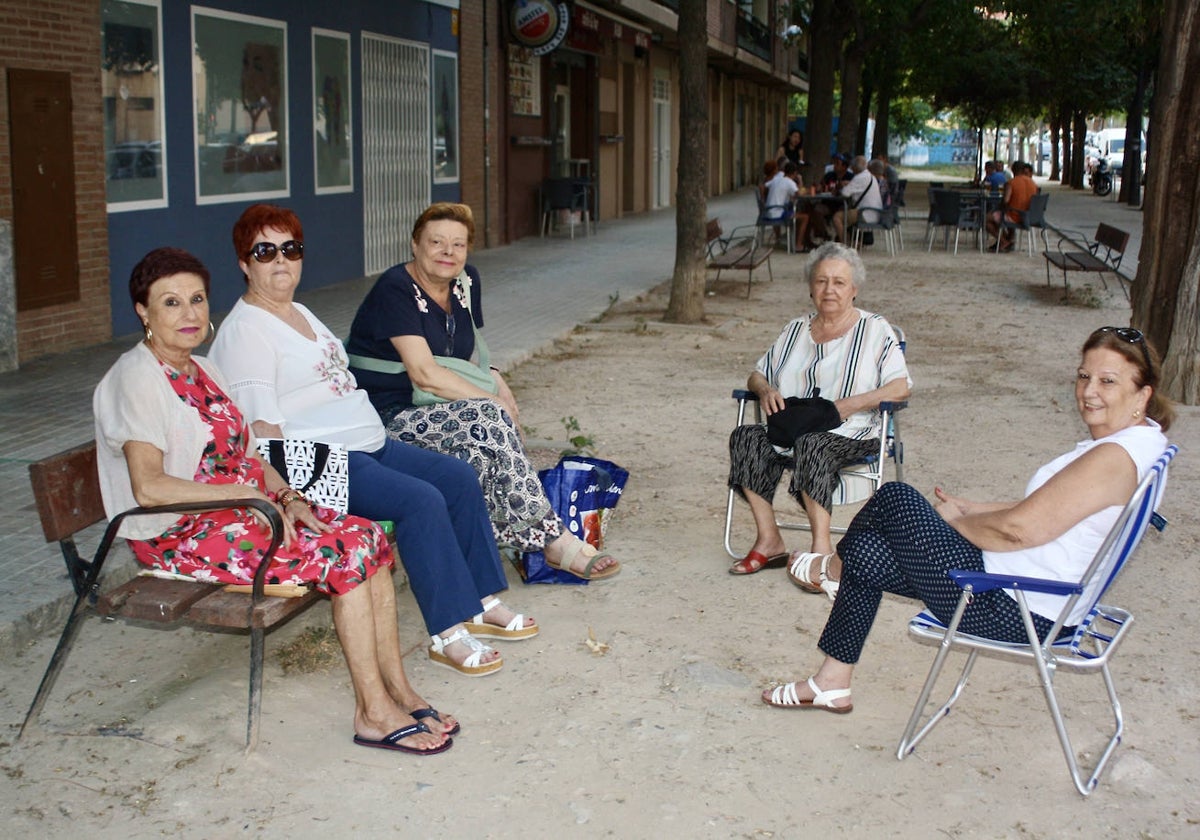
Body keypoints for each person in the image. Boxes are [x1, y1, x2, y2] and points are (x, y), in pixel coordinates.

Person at [94, 246, 454, 755]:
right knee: (345, 552)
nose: (190, 313)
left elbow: (246, 454)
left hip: (240, 513)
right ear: (143, 312)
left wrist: (286, 493)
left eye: (197, 299)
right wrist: (243, 495)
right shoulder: (138, 377)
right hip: (181, 533)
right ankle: (372, 712)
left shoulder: (203, 371)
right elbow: (149, 487)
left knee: (368, 534)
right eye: (171, 303)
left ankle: (399, 690)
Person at [761, 326, 1172, 713]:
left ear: (1142, 395)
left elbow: (1018, 531)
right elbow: (1054, 507)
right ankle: (831, 681)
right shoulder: (1142, 443)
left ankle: (830, 567)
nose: (1089, 391)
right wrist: (974, 508)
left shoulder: (1112, 459)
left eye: (1108, 381)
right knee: (867, 554)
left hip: (1011, 607)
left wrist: (952, 524)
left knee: (895, 497)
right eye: (1084, 377)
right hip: (1030, 595)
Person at [209, 204, 537, 679]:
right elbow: (262, 436)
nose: (281, 261)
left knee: (456, 476)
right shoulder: (245, 332)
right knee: (421, 500)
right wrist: (287, 496)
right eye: (265, 251)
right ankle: (447, 632)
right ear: (244, 262)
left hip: (367, 442)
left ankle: (481, 601)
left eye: (291, 249)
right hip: (318, 461)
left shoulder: (298, 312)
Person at [345, 202, 621, 581]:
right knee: (487, 420)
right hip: (388, 416)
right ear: (415, 245)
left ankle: (486, 557)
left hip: (441, 413)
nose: (448, 252)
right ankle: (553, 540)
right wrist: (491, 402)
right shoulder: (395, 289)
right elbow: (425, 374)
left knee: (480, 446)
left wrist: (497, 380)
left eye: (458, 245)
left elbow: (468, 349)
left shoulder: (466, 281)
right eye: (436, 242)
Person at [727, 243, 911, 580]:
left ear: (854, 289)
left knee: (813, 443)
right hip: (794, 427)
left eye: (839, 282)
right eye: (821, 281)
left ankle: (822, 552)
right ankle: (770, 540)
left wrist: (848, 405)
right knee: (746, 437)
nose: (829, 290)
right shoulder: (794, 330)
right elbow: (757, 372)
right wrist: (765, 390)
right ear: (811, 287)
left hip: (856, 430)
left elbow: (901, 387)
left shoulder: (875, 329)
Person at [831, 155, 884, 244]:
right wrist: (850, 183)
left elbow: (844, 193)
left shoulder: (858, 178)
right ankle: (848, 240)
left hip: (865, 213)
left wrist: (843, 186)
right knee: (843, 212)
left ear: (854, 168)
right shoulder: (870, 176)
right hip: (876, 212)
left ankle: (845, 243)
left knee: (837, 217)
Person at [986, 161, 1037, 252]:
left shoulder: (1012, 183)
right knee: (1002, 215)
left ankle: (1003, 241)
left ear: (1013, 170)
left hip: (1015, 216)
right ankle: (1009, 240)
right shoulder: (1033, 184)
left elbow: (1006, 200)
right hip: (1028, 216)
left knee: (988, 219)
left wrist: (1000, 206)